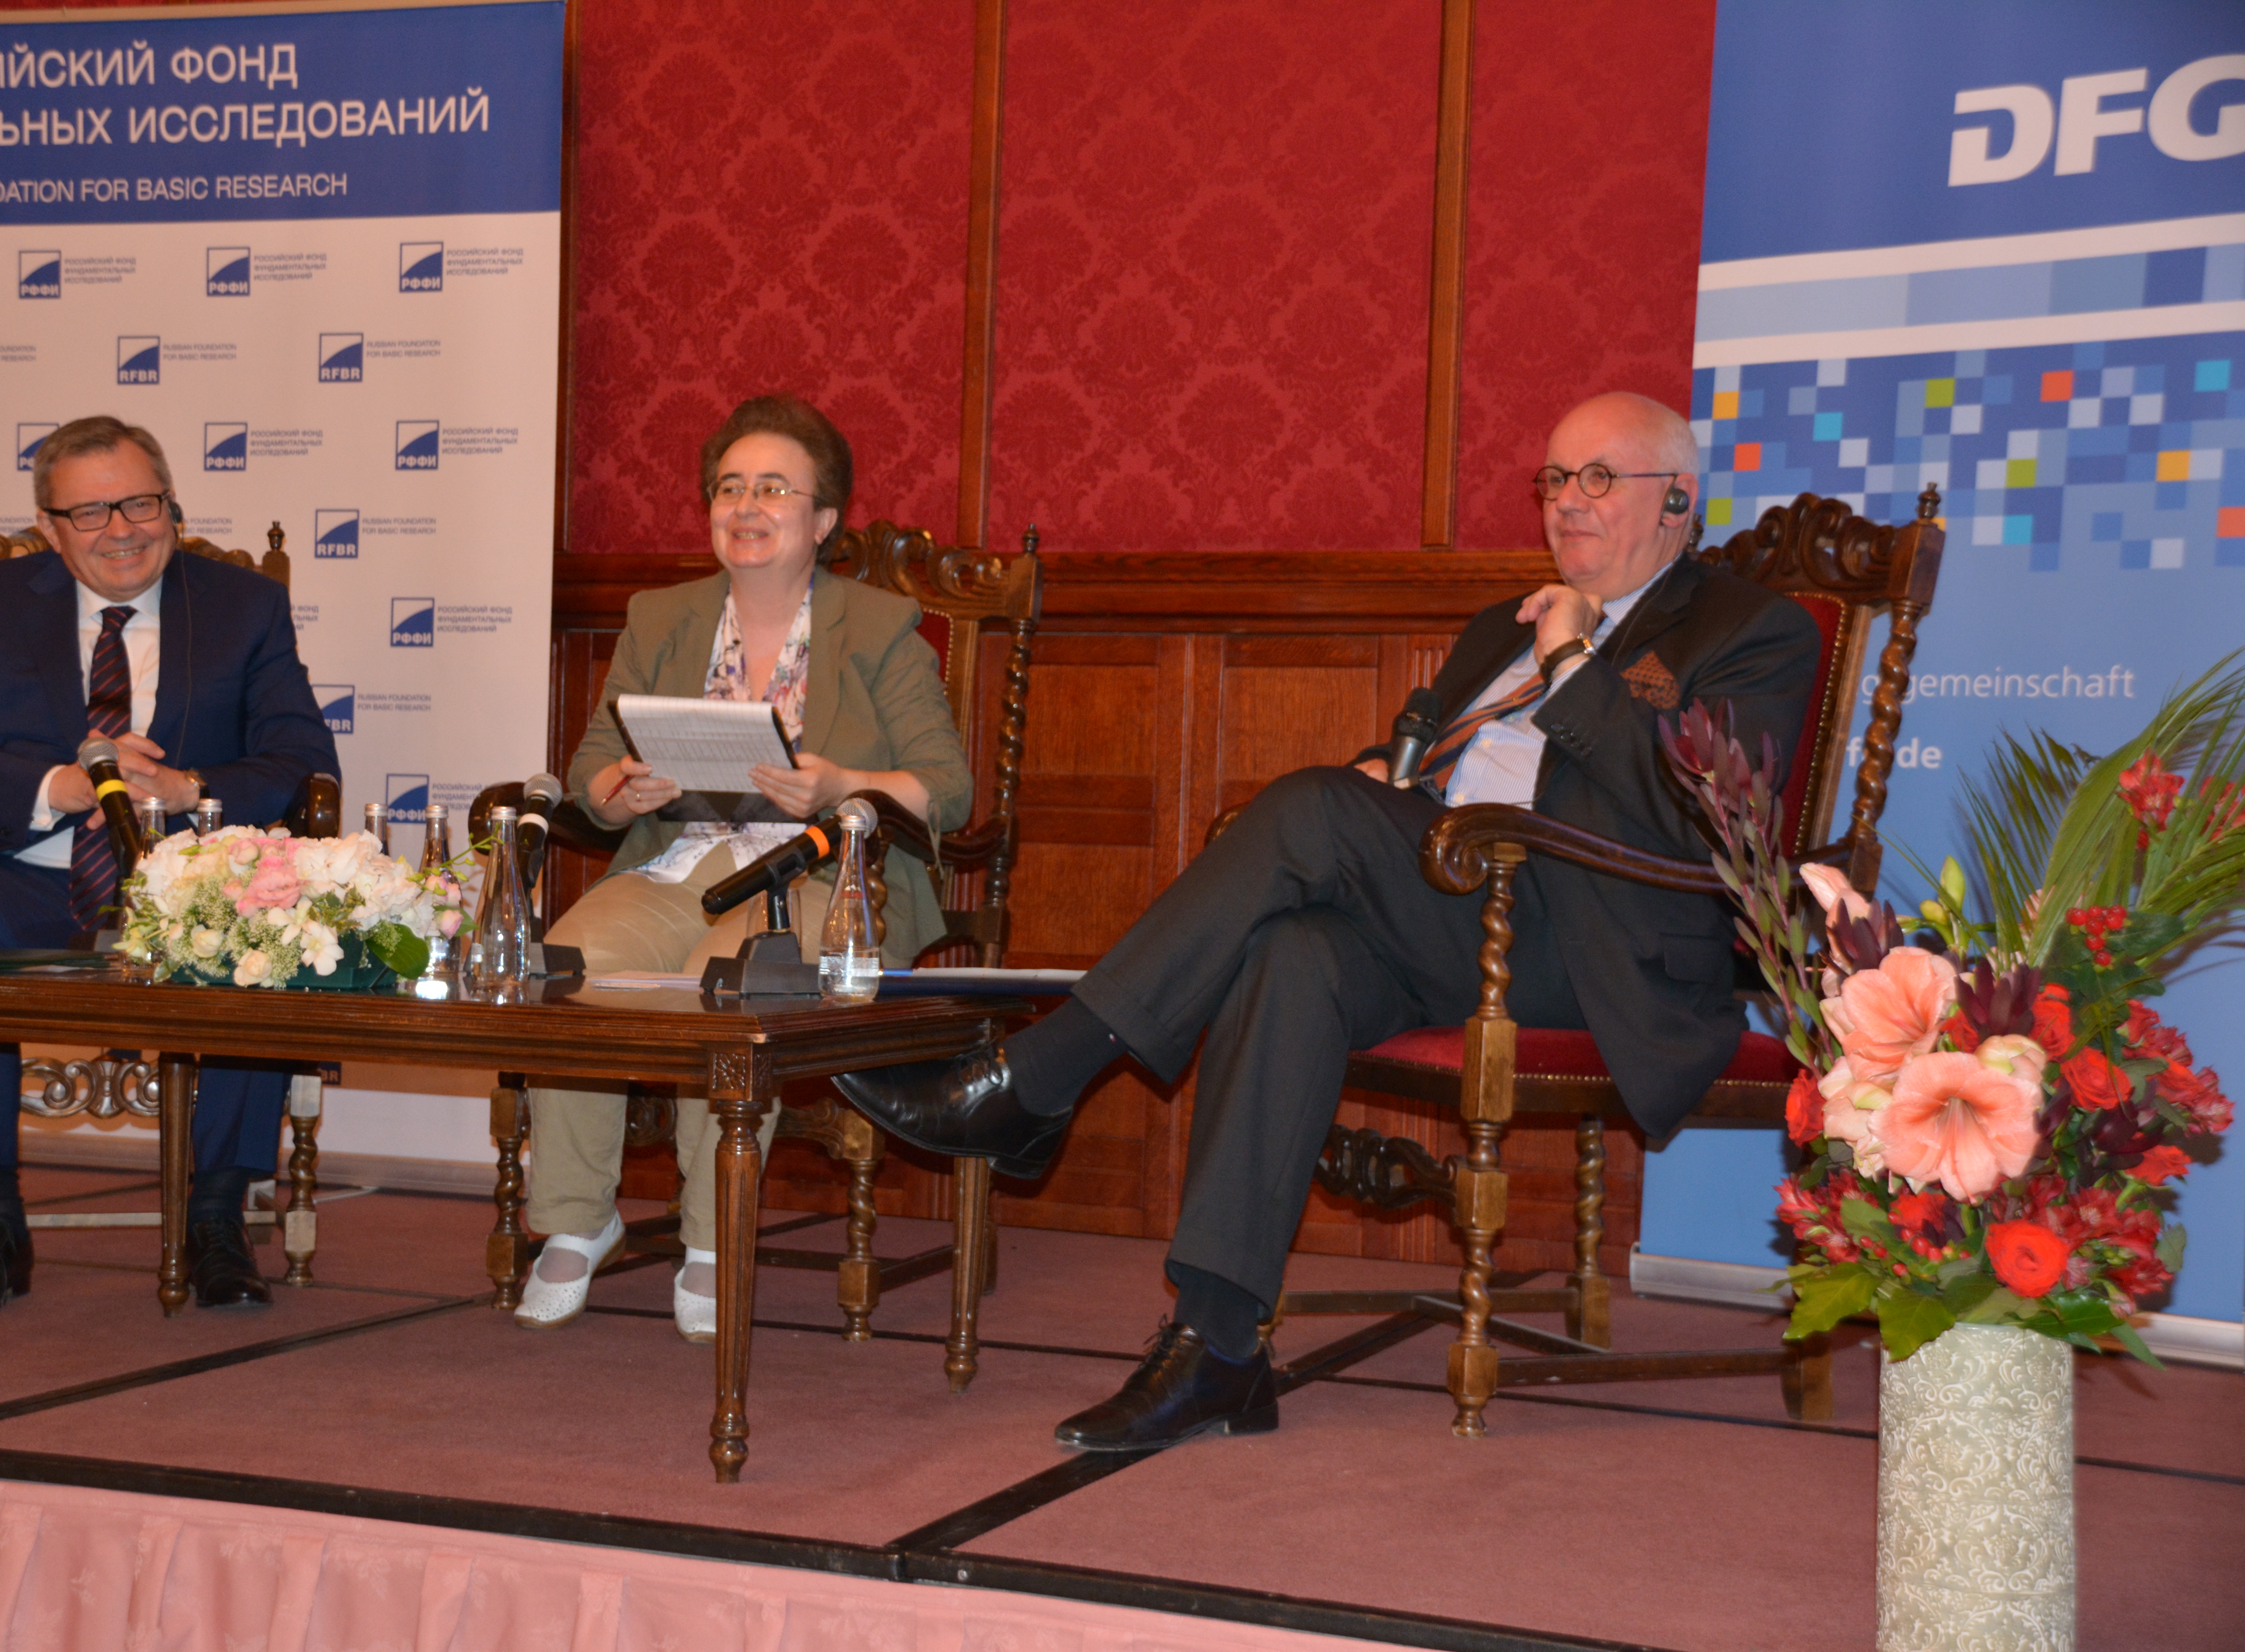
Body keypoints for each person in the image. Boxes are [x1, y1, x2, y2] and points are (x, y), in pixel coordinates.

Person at [834, 392, 1822, 1450]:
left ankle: (1040, 1076)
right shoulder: (1506, 624)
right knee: (1291, 950)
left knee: (1308, 811)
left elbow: (1706, 814)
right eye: (1551, 479)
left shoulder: (1751, 630)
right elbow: (1426, 764)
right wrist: (1384, 777)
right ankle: (1217, 1345)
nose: (1564, 504)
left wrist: (1577, 665)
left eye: (1596, 480)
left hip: (1599, 945)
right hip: (1455, 909)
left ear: (1677, 499)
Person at [516, 394, 973, 1339]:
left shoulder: (882, 626)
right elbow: (590, 766)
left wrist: (844, 782)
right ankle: (576, 1217)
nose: (748, 505)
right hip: (680, 856)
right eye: (730, 487)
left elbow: (948, 792)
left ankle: (711, 1237)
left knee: (721, 985)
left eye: (775, 488)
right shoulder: (665, 615)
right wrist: (621, 786)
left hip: (822, 876)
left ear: (824, 519)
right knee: (565, 970)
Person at [0, 415, 339, 1317]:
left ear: (172, 504)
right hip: (24, 864)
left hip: (186, 877)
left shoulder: (244, 606)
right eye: (89, 513)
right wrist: (59, 784)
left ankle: (216, 1212)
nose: (121, 529)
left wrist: (183, 783)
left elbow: (300, 755)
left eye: (140, 502)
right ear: (49, 527)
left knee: (272, 922)